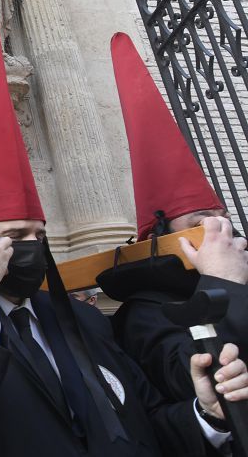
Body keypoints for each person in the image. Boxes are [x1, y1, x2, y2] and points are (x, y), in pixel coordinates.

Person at [0, 11, 248, 456]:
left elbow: (147, 420)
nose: (31, 247)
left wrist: (206, 415)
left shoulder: (84, 320)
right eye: (14, 234)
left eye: (39, 234)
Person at [101, 32, 248, 402]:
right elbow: (198, 383)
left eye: (222, 218)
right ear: (162, 236)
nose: (220, 230)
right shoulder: (145, 312)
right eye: (200, 223)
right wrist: (224, 283)